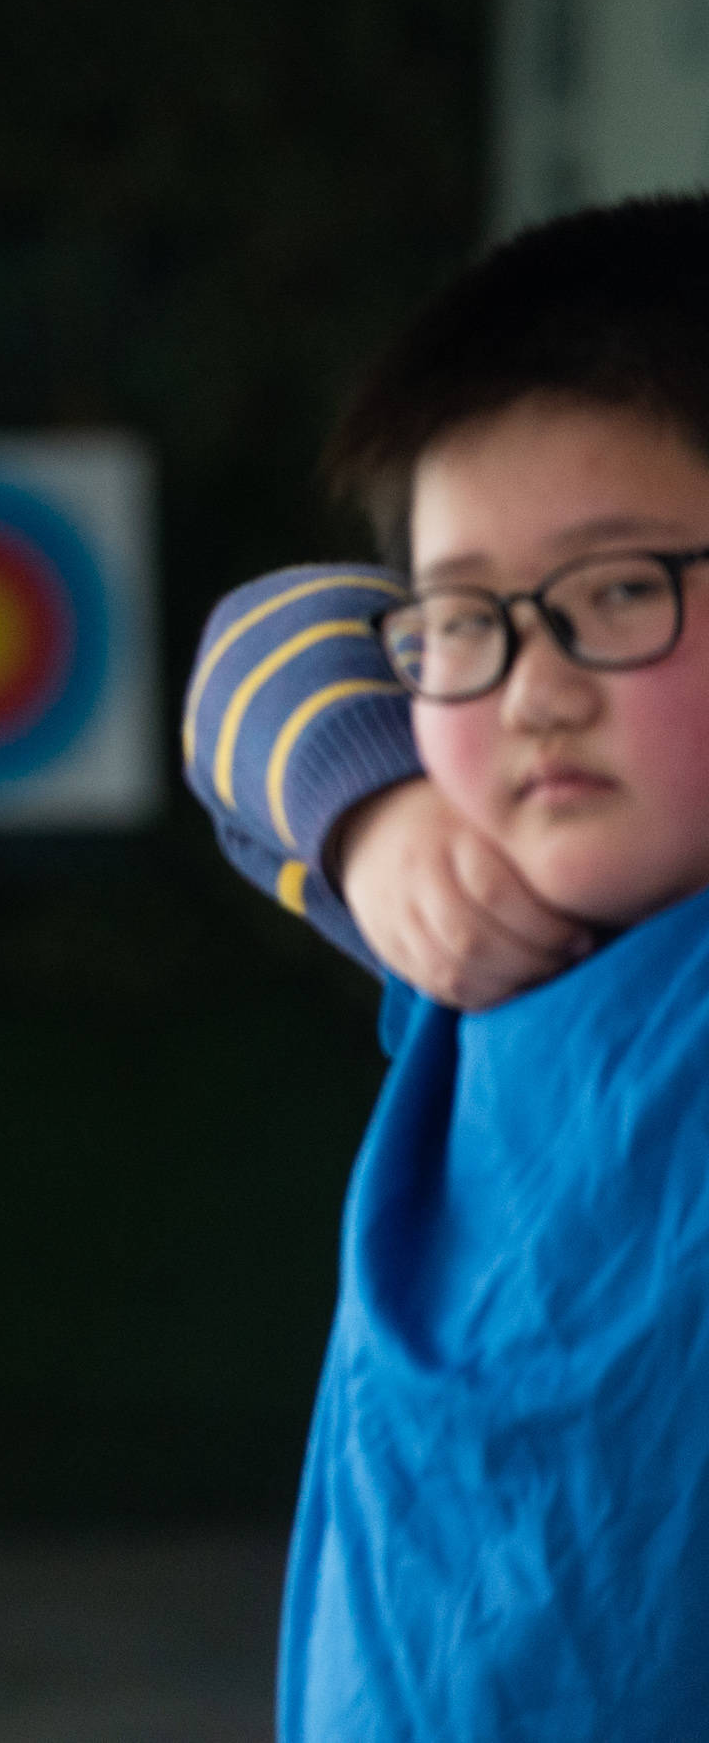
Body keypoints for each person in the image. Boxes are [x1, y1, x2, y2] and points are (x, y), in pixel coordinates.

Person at [182, 193, 709, 1736]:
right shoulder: (482, 930)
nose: (536, 687)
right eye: (468, 615)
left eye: (620, 591)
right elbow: (257, 646)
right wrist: (382, 823)